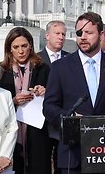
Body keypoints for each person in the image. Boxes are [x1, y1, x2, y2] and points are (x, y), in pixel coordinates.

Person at [43, 11, 105, 174]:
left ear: (101, 34)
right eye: (79, 33)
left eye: (88, 32)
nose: (83, 37)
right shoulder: (60, 67)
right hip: (73, 156)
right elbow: (49, 107)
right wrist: (70, 120)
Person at [0, 27, 51, 174]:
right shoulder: (1, 71)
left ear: (31, 46)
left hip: (38, 132)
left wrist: (45, 91)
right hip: (10, 132)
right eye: (16, 47)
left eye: (24, 46)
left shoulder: (43, 68)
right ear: (9, 49)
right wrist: (12, 101)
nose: (21, 51)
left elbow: (55, 97)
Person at [38, 20, 70, 174]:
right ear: (47, 36)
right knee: (42, 162)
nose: (61, 37)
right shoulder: (36, 59)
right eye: (57, 33)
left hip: (63, 118)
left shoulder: (71, 59)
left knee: (61, 163)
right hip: (40, 121)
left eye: (63, 34)